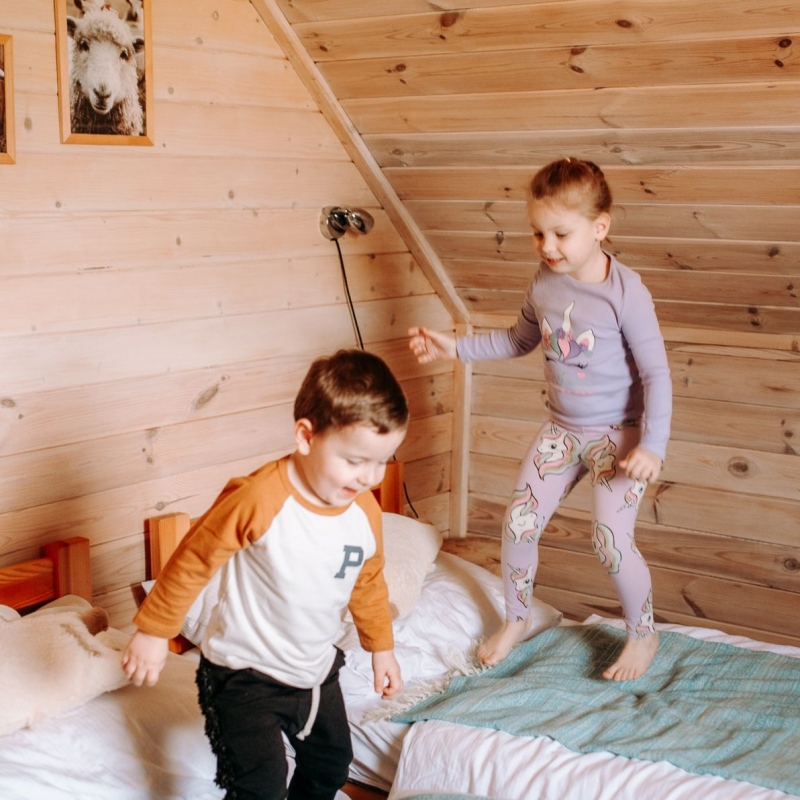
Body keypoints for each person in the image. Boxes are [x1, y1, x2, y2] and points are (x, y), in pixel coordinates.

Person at [409, 157, 671, 681]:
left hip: (619, 437)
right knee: (518, 522)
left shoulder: (627, 293)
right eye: (537, 233)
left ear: (600, 227)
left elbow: (656, 374)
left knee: (610, 541)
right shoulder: (545, 282)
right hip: (562, 431)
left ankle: (643, 634)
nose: (547, 246)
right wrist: (456, 348)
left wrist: (653, 445)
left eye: (560, 234)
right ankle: (517, 618)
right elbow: (518, 339)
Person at [122, 348, 409, 800]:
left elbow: (368, 580)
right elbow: (195, 557)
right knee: (261, 786)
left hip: (314, 670)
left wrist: (382, 648)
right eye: (355, 461)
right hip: (244, 674)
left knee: (331, 767)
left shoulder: (364, 511)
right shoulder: (260, 498)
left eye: (382, 462)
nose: (369, 478)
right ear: (306, 436)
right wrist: (155, 630)